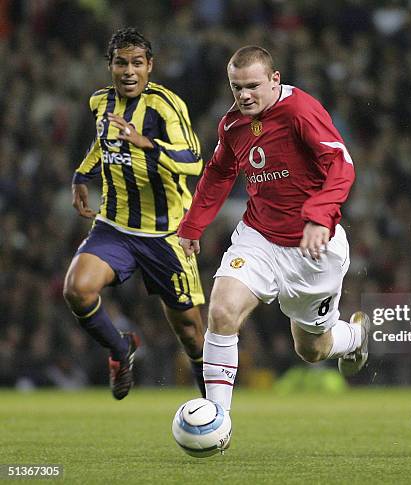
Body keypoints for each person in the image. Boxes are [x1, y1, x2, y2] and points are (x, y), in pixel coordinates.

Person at [177, 46, 370, 423]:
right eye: (236, 87)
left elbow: (341, 164)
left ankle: (355, 337)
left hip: (313, 247)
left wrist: (319, 216)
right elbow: (219, 172)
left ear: (274, 79)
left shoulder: (300, 110)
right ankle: (217, 418)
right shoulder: (232, 124)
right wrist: (193, 223)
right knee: (221, 310)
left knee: (312, 350)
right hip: (259, 236)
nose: (244, 95)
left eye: (252, 86)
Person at [63, 27, 206, 400]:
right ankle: (120, 348)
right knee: (78, 291)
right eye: (121, 62)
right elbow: (102, 144)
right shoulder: (100, 103)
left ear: (150, 66)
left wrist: (148, 144)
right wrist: (82, 174)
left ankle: (215, 409)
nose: (129, 71)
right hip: (115, 226)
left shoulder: (165, 105)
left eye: (137, 63)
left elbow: (193, 161)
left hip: (167, 234)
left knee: (191, 334)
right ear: (109, 65)